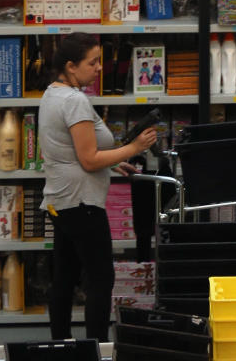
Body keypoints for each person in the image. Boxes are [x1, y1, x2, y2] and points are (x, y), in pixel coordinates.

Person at [38, 33, 158, 341]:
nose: (99, 68)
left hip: (59, 201)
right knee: (101, 280)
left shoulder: (53, 93)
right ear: (71, 66)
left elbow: (72, 151)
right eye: (92, 62)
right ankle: (97, 347)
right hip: (82, 204)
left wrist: (112, 161)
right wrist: (133, 147)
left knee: (64, 277)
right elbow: (89, 160)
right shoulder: (75, 101)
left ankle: (61, 345)